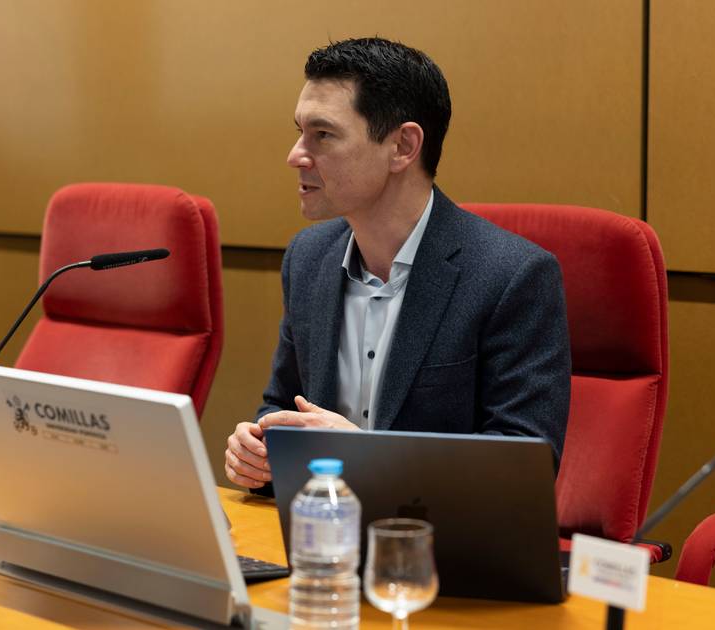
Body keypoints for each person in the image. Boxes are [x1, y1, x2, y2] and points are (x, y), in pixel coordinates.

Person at [224, 37, 570, 491]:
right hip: (324, 540)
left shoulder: (511, 277)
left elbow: (524, 470)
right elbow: (283, 404)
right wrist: (259, 448)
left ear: (403, 146)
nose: (296, 155)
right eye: (299, 131)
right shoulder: (308, 259)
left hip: (442, 551)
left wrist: (366, 458)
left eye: (323, 134)